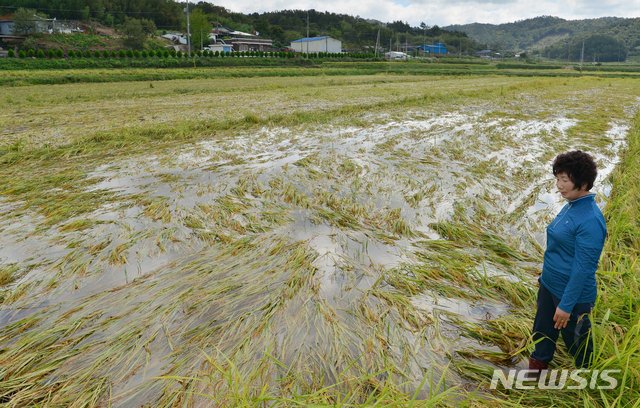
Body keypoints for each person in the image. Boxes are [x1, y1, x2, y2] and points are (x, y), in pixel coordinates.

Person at [529, 150, 607, 375]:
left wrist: (565, 305)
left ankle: (587, 380)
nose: (559, 185)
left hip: (572, 296)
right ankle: (535, 373)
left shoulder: (590, 220)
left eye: (565, 180)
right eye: (557, 178)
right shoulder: (571, 204)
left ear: (583, 183)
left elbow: (583, 269)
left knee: (577, 342)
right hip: (550, 285)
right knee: (542, 332)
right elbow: (559, 249)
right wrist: (545, 278)